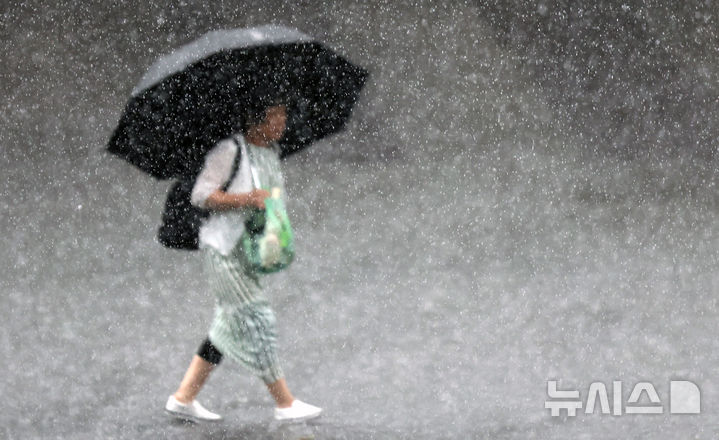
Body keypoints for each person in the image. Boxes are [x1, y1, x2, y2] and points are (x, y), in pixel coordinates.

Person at [164, 101, 322, 422]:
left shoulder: (270, 153)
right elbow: (201, 195)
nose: (283, 121)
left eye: (283, 114)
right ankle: (285, 403)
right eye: (276, 115)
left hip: (247, 250)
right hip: (222, 248)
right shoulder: (230, 150)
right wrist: (247, 199)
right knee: (255, 318)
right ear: (255, 119)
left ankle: (183, 398)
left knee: (226, 326)